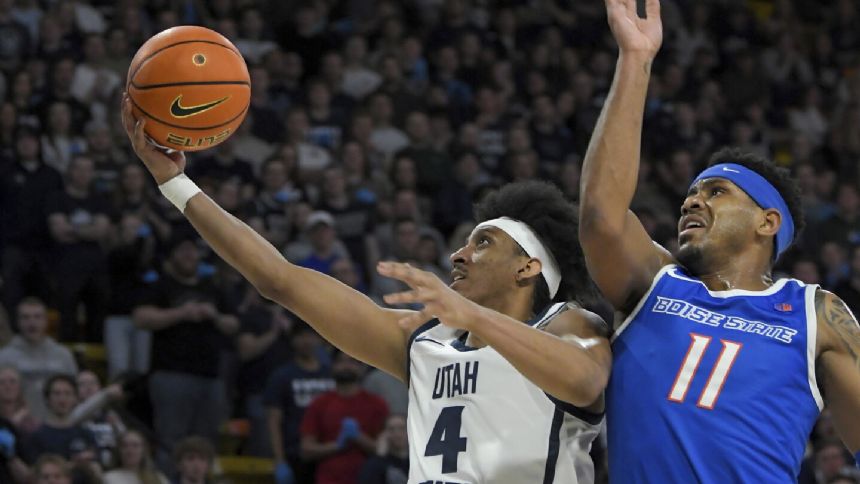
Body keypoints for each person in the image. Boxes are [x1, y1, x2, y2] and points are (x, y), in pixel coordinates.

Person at [121, 95, 611, 484]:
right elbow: (280, 279)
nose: (457, 256)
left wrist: (475, 316)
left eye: (482, 244)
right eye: (463, 243)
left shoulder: (569, 323)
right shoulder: (423, 344)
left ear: (527, 268)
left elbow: (587, 383)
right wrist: (174, 183)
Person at [577, 0, 860, 481]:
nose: (692, 202)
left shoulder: (815, 313)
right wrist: (636, 60)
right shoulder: (655, 282)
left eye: (716, 192)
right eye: (690, 193)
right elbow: (601, 216)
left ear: (766, 222)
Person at [299, 350, 389, 484]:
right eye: (341, 361)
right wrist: (337, 446)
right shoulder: (319, 404)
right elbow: (306, 451)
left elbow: (387, 450)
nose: (346, 366)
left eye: (352, 361)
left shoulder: (378, 404)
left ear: (362, 367)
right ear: (332, 366)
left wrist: (359, 438)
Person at [0, 297, 78, 419]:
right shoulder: (4, 357)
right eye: (26, 317)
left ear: (46, 321)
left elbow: (75, 395)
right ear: (18, 322)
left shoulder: (63, 355)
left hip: (57, 426)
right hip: (20, 427)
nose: (32, 322)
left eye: (37, 317)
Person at [357, 414, 408, 484]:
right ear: (383, 434)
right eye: (391, 429)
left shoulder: (417, 461)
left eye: (402, 428)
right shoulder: (375, 463)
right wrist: (380, 455)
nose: (397, 434)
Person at [103, 430, 169, 484]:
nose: (130, 450)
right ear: (119, 450)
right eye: (125, 446)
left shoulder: (158, 477)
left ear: (143, 450)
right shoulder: (109, 478)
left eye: (135, 445)